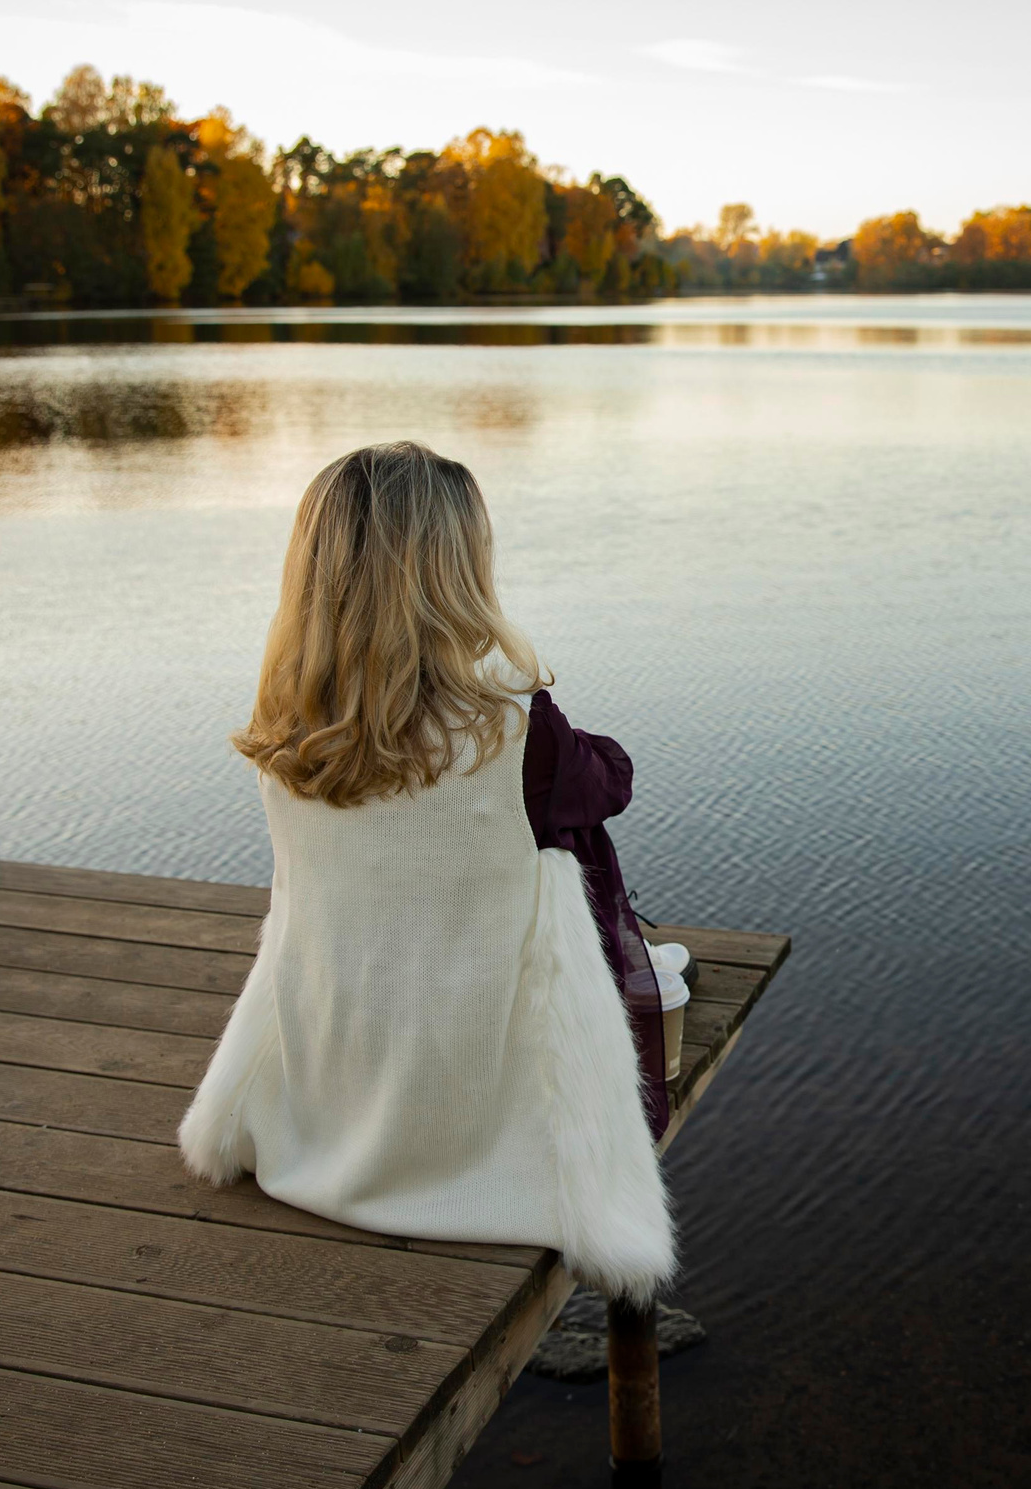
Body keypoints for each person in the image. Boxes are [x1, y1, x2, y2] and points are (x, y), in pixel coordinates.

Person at [177, 441, 674, 1304]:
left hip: (337, 1072)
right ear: (457, 578)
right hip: (470, 1091)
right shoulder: (518, 733)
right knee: (567, 848)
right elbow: (614, 778)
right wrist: (516, 691)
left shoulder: (286, 741)